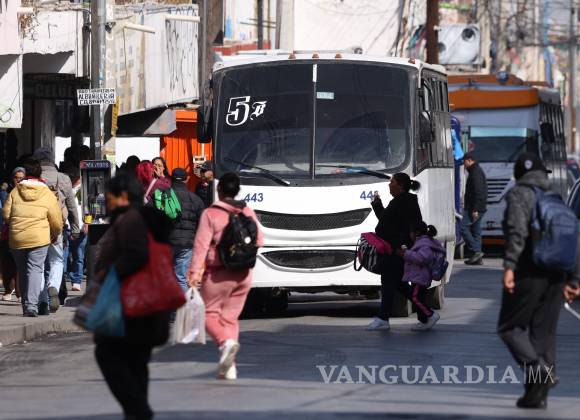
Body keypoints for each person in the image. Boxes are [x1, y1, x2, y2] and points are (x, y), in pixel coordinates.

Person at [496, 152, 572, 409]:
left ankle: (540, 372)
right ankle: (536, 396)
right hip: (557, 276)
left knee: (510, 327)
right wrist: (574, 279)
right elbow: (573, 238)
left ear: (518, 174)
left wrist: (510, 266)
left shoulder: (519, 195)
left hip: (529, 272)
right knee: (543, 335)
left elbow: (516, 231)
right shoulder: (555, 198)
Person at [93, 173, 171, 420]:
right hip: (147, 303)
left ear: (123, 197)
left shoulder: (131, 220)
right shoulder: (143, 219)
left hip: (131, 304)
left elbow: (137, 254)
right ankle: (136, 412)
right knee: (137, 361)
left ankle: (138, 410)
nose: (106, 200)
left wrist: (108, 276)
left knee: (107, 354)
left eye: (110, 196)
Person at [187, 172, 263, 380]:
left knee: (208, 314)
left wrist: (194, 273)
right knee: (230, 319)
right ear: (237, 190)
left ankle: (225, 343)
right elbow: (260, 240)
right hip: (244, 274)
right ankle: (230, 367)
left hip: (219, 274)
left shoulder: (211, 213)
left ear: (219, 190)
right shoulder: (247, 211)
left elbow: (201, 246)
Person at [2, 158, 63, 316]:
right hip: (39, 237)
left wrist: (16, 222)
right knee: (35, 270)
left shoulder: (15, 192)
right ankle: (31, 306)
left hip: (17, 237)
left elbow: (6, 214)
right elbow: (56, 219)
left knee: (22, 270)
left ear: (25, 173)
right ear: (39, 174)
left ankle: (25, 304)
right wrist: (55, 233)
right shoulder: (47, 193)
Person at [366, 173, 422, 331]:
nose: (389, 185)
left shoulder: (404, 202)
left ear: (401, 185)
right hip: (394, 249)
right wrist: (377, 204)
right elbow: (386, 221)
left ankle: (385, 318)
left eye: (392, 182)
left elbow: (409, 227)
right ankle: (426, 314)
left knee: (390, 282)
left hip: (397, 250)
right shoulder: (399, 201)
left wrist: (403, 246)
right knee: (395, 283)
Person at [33, 147, 80, 313]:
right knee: (57, 260)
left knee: (38, 264)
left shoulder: (34, 178)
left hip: (37, 226)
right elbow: (72, 207)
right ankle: (53, 285)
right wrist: (75, 228)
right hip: (57, 226)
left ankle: (41, 300)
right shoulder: (63, 178)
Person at [399, 222, 442, 331]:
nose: (409, 234)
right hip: (418, 276)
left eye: (411, 232)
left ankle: (431, 315)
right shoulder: (421, 242)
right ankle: (424, 321)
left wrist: (406, 254)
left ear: (416, 232)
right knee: (419, 299)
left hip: (420, 277)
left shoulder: (424, 243)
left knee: (415, 298)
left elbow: (423, 258)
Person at [168, 168, 205, 291]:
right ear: (186, 179)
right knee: (181, 278)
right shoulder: (196, 199)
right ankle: (181, 303)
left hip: (166, 242)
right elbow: (203, 223)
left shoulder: (163, 196)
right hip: (187, 243)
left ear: (171, 179)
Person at [1, 167, 25, 302]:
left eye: (21, 178)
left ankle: (20, 292)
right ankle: (8, 289)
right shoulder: (6, 193)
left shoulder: (28, 191)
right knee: (8, 262)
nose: (18, 180)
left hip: (23, 231)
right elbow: (4, 213)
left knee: (20, 263)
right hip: (8, 231)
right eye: (16, 177)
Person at [461, 152, 488, 265]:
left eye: (464, 162)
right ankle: (478, 258)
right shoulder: (475, 171)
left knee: (463, 227)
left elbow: (478, 192)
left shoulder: (475, 173)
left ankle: (476, 251)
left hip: (475, 207)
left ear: (469, 160)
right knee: (476, 231)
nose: (464, 164)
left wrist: (475, 209)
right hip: (478, 206)